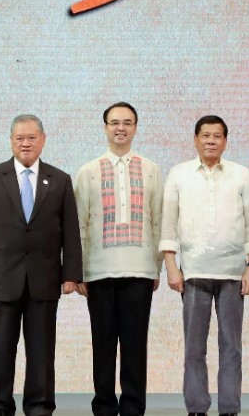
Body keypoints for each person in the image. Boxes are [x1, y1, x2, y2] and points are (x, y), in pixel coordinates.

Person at [0, 115, 82, 416]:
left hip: (44, 279)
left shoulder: (59, 179)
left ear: (43, 139)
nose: (26, 143)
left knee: (42, 351)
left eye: (32, 137)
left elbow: (70, 231)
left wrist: (71, 274)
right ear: (11, 141)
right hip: (1, 279)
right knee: (1, 349)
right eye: (20, 138)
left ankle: (40, 406)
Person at [160, 115, 249, 416]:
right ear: (195, 139)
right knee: (194, 348)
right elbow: (168, 224)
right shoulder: (179, 174)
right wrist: (171, 266)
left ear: (225, 141)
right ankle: (196, 407)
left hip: (232, 273)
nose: (211, 141)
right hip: (192, 273)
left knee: (231, 346)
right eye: (205, 135)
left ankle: (229, 408)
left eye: (217, 136)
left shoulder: (241, 175)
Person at [72, 102, 164, 416]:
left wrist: (156, 267)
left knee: (135, 344)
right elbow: (79, 224)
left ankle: (134, 406)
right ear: (105, 127)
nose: (120, 128)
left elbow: (157, 220)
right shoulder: (89, 170)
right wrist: (80, 269)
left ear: (136, 127)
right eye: (114, 122)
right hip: (98, 271)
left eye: (127, 122)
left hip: (139, 269)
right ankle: (104, 406)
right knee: (104, 342)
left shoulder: (150, 168)